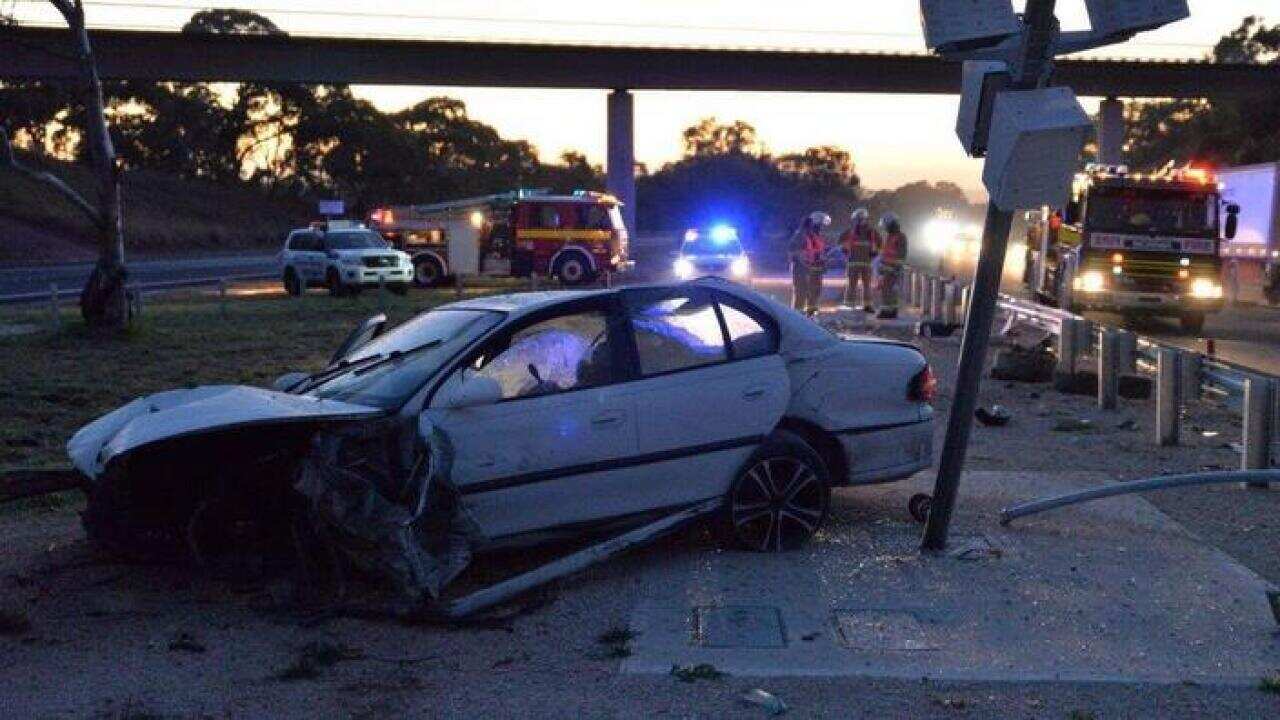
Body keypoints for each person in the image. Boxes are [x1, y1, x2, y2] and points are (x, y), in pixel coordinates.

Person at [788, 211, 830, 315]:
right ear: (814, 224)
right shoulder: (801, 235)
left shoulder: (817, 237)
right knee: (801, 293)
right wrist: (804, 259)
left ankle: (811, 316)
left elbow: (820, 252)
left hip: (816, 270)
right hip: (802, 270)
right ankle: (797, 317)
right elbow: (793, 251)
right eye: (821, 225)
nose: (822, 228)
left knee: (815, 293)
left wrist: (823, 262)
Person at [839, 208, 879, 311]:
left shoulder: (871, 233)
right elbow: (841, 244)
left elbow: (841, 244)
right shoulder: (871, 232)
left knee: (862, 285)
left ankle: (858, 304)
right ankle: (858, 304)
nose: (859, 221)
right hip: (861, 263)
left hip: (858, 263)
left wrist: (874, 253)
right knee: (858, 285)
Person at [875, 212, 908, 318]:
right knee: (887, 290)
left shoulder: (900, 237)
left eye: (886, 226)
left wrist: (894, 267)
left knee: (888, 290)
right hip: (887, 267)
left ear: (891, 224)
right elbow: (886, 252)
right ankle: (891, 310)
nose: (884, 228)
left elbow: (901, 254)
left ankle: (887, 311)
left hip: (892, 268)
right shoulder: (890, 236)